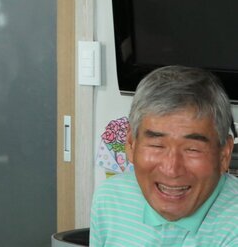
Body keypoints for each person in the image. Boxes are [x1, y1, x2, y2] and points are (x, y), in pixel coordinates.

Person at [90, 65, 237, 246]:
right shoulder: (110, 200)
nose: (171, 169)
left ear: (224, 154)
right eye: (157, 145)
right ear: (131, 145)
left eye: (192, 149)